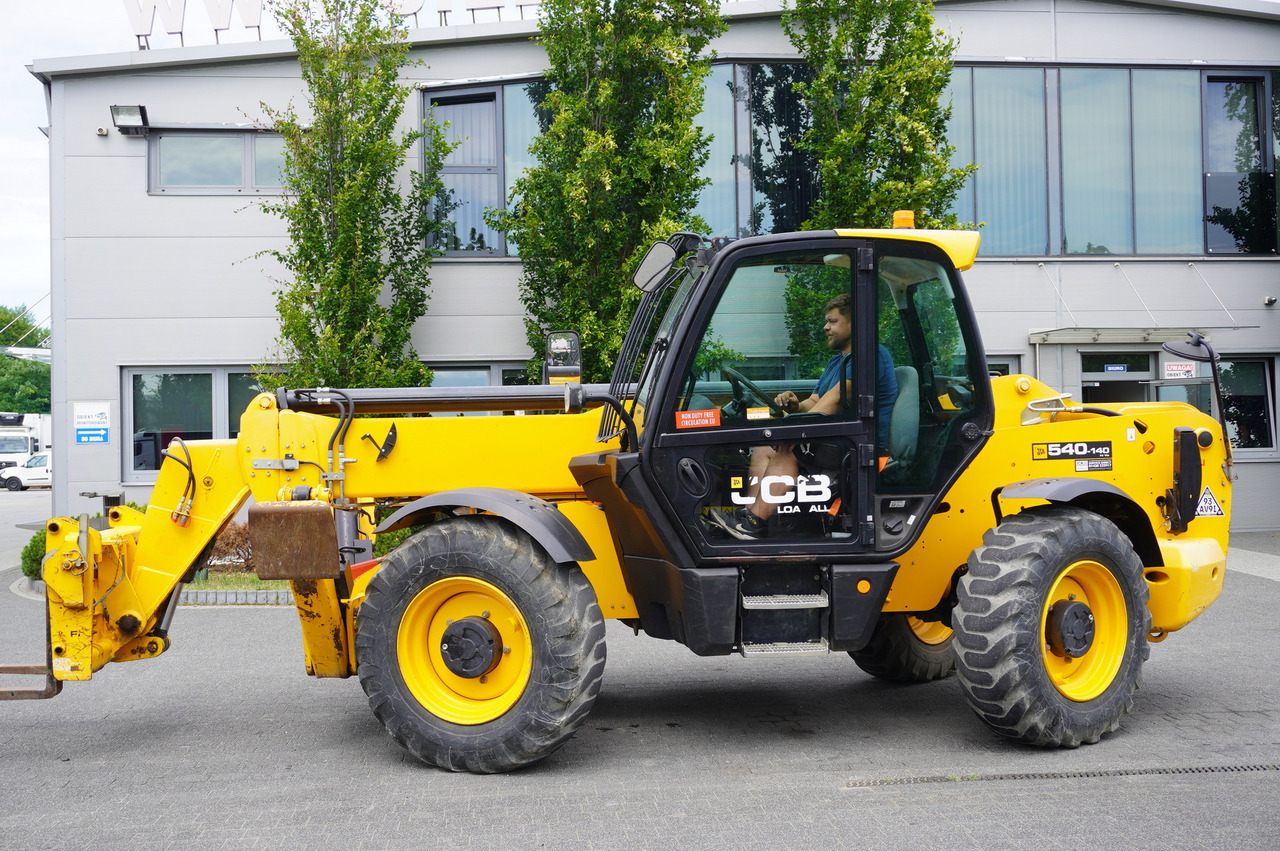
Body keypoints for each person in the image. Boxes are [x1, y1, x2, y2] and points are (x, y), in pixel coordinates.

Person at [705, 292, 897, 540]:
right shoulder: (836, 362)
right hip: (840, 435)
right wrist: (794, 405)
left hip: (859, 447)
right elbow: (815, 402)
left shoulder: (868, 357)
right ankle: (751, 517)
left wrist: (790, 430)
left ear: (855, 323)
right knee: (763, 447)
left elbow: (836, 401)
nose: (825, 327)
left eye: (833, 321)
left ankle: (753, 522)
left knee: (788, 447)